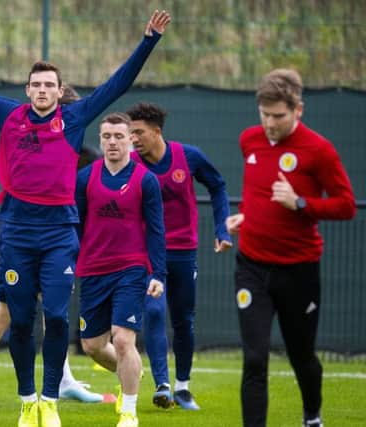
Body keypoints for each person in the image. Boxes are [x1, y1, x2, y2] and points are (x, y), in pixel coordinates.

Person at [0, 9, 171, 427]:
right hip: (16, 233)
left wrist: (149, 40)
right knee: (19, 320)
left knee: (54, 316)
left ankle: (49, 402)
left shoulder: (73, 118)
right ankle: (27, 400)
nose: (43, 91)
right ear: (28, 90)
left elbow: (118, 83)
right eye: (36, 85)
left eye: (50, 85)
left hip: (58, 235)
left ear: (58, 90)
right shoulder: (8, 116)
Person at [0, 84, 104, 404]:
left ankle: (62, 380)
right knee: (8, 312)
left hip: (55, 238)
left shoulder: (79, 153)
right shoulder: (26, 137)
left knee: (53, 310)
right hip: (22, 236)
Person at [225, 69, 355, 427]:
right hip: (250, 267)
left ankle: (312, 415)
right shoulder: (248, 140)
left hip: (299, 271)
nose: (269, 123)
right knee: (254, 358)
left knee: (302, 356)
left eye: (278, 116)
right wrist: (243, 217)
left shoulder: (319, 150)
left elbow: (345, 205)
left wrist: (300, 204)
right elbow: (256, 193)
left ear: (299, 109)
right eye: (264, 114)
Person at [126, 102, 232, 410]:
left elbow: (219, 186)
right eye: (130, 133)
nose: (133, 139)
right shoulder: (131, 164)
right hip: (147, 254)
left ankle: (183, 387)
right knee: (155, 311)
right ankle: (162, 385)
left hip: (183, 252)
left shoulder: (189, 157)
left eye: (138, 133)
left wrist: (222, 229)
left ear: (157, 132)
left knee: (183, 320)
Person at [75, 113, 166, 427]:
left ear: (131, 140)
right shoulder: (85, 178)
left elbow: (156, 230)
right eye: (107, 136)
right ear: (101, 140)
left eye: (119, 136)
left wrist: (159, 274)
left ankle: (129, 411)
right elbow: (76, 226)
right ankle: (132, 372)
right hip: (92, 270)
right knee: (93, 346)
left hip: (131, 269)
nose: (112, 142)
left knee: (124, 340)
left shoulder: (146, 180)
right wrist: (69, 263)